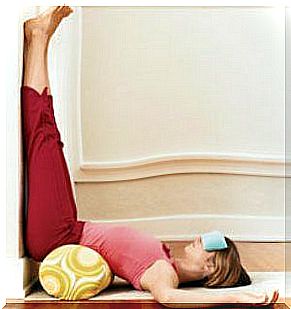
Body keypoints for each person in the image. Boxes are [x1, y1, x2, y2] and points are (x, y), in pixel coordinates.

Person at [22, 6, 279, 307]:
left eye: (209, 246)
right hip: (68, 226)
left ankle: (39, 36)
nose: (200, 238)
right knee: (49, 136)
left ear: (211, 267)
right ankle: (38, 40)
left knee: (45, 137)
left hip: (58, 234)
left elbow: (169, 298)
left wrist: (237, 297)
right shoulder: (164, 257)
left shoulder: (162, 273)